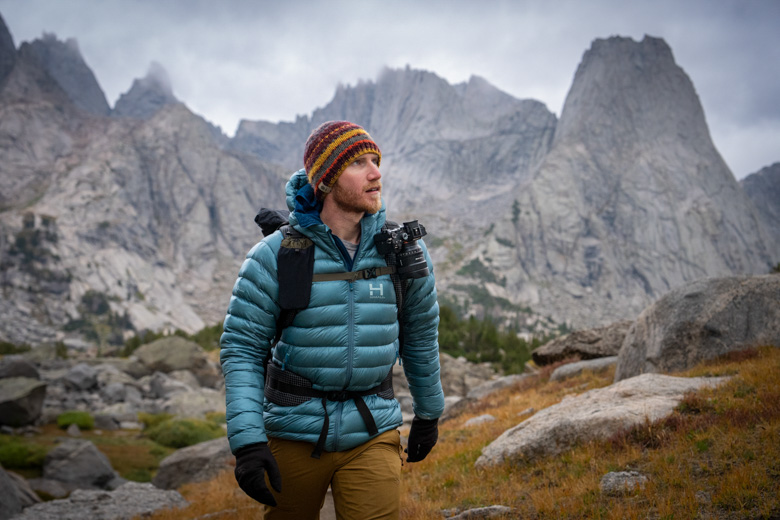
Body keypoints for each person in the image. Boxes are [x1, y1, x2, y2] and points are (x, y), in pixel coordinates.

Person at [220, 120, 445, 519]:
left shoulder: (402, 253)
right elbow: (242, 349)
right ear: (326, 179)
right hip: (292, 430)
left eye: (375, 160)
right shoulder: (273, 256)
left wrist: (429, 413)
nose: (376, 172)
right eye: (359, 162)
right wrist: (249, 443)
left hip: (373, 429)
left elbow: (421, 335)